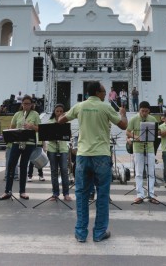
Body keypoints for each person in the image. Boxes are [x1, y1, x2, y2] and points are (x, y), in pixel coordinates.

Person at [59, 81, 127, 243]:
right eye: (104, 92)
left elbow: (61, 119)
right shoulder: (106, 107)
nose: (105, 95)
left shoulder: (80, 106)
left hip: (83, 155)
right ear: (97, 92)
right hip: (101, 155)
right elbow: (123, 125)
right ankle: (99, 233)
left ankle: (81, 233)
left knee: (82, 194)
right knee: (102, 195)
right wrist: (123, 113)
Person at [0, 96, 40, 201]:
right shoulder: (17, 114)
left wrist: (31, 126)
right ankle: (7, 191)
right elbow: (12, 126)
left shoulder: (35, 114)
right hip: (17, 142)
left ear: (31, 104)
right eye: (24, 103)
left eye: (28, 104)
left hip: (28, 143)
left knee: (23, 166)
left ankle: (22, 191)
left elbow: (40, 128)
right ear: (21, 104)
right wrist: (10, 129)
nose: (26, 106)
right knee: (11, 165)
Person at [126, 101, 160, 204]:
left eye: (146, 111)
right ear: (139, 110)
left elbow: (156, 132)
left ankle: (151, 194)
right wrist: (136, 137)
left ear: (149, 110)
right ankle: (140, 195)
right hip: (138, 148)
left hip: (149, 148)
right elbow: (127, 131)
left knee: (151, 172)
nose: (144, 113)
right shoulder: (133, 119)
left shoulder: (153, 119)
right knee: (139, 172)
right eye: (142, 111)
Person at [46, 104, 71, 201]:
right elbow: (46, 135)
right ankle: (55, 193)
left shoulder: (65, 122)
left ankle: (66, 193)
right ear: (54, 112)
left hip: (63, 149)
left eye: (61, 111)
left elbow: (69, 135)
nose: (59, 113)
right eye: (57, 111)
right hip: (52, 148)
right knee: (54, 171)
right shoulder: (50, 122)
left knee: (64, 171)